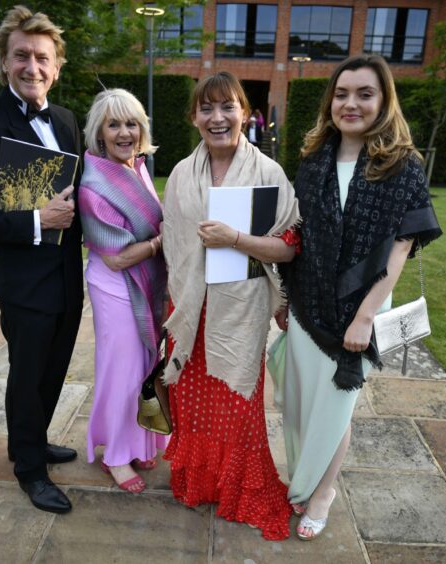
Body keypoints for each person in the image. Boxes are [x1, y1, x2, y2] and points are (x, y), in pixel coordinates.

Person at [279, 54, 442, 540]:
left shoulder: (402, 166)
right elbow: (299, 235)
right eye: (342, 94)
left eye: (364, 94)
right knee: (306, 402)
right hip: (310, 301)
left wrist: (366, 315)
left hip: (363, 307)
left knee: (337, 404)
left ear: (383, 100)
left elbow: (401, 245)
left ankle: (323, 490)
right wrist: (287, 297)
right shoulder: (313, 161)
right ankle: (308, 478)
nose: (351, 104)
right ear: (331, 100)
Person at [0, 5, 83, 514]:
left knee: (53, 372)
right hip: (24, 283)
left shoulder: (67, 119)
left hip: (69, 277)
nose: (33, 67)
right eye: (21, 56)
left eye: (42, 57)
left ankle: (35, 438)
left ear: (58, 65)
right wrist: (35, 222)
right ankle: (29, 468)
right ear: (3, 61)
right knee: (26, 376)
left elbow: (77, 196)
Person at [161, 71, 301, 540]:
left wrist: (236, 239)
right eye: (207, 108)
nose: (217, 118)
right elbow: (175, 244)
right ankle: (199, 481)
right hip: (189, 312)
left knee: (237, 404)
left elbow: (288, 247)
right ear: (194, 117)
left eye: (228, 107)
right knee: (194, 405)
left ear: (245, 112)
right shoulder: (181, 173)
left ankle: (239, 486)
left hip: (240, 313)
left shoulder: (268, 174)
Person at [78, 88, 169, 493]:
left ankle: (140, 440)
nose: (124, 132)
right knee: (121, 372)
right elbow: (116, 257)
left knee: (146, 367)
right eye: (113, 124)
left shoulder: (139, 167)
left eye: (131, 123)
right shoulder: (94, 185)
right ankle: (115, 454)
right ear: (99, 132)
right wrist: (158, 243)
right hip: (116, 285)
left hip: (144, 282)